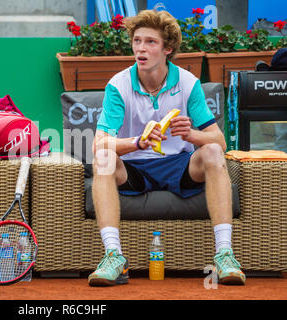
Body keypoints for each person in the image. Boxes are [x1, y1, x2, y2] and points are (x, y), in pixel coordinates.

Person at [88, 9, 246, 286]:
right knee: (103, 157)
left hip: (178, 165)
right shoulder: (118, 85)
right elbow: (100, 143)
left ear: (167, 49)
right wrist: (137, 142)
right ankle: (113, 256)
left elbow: (219, 140)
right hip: (135, 167)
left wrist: (192, 135)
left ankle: (225, 254)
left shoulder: (188, 83)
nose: (141, 48)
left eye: (150, 42)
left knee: (211, 151)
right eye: (137, 41)